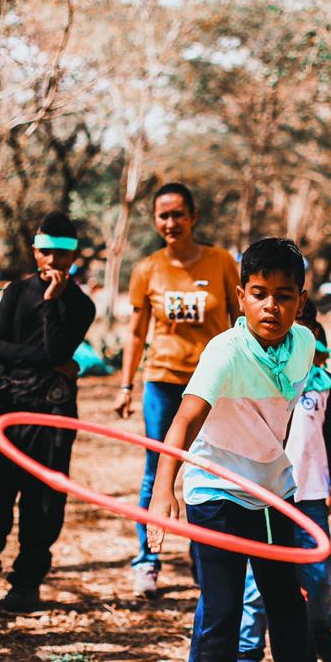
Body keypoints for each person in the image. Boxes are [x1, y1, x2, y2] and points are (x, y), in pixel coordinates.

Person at [148, 238, 331, 662]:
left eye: (284, 295)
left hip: (273, 491)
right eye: (259, 294)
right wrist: (164, 496)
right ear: (241, 296)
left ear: (301, 301)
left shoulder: (304, 346)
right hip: (215, 490)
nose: (271, 306)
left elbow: (278, 420)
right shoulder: (225, 352)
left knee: (287, 603)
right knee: (223, 612)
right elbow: (182, 424)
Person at [0, 212, 96, 614]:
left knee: (43, 503)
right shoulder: (17, 292)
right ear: (35, 252)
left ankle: (26, 582)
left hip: (52, 414)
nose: (54, 261)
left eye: (62, 254)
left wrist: (52, 307)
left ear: (74, 257)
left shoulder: (81, 306)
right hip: (9, 406)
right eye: (47, 252)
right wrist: (48, 361)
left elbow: (56, 351)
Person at [116, 183, 240, 598]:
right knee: (159, 470)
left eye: (178, 214)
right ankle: (147, 561)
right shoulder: (147, 268)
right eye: (162, 215)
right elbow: (136, 334)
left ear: (193, 216)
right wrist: (126, 385)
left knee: (209, 470)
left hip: (213, 383)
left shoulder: (221, 261)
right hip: (164, 382)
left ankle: (203, 557)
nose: (170, 223)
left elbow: (241, 322)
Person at [235, 301, 331, 662]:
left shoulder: (324, 385)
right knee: (258, 583)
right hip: (268, 496)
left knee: (319, 578)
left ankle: (323, 641)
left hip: (311, 496)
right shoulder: (259, 377)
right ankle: (246, 655)